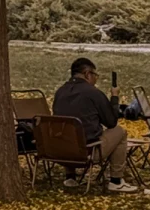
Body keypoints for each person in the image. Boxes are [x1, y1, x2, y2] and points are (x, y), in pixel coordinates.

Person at [53, 57, 138, 193]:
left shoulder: (60, 92)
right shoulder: (93, 93)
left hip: (60, 152)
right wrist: (114, 97)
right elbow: (111, 122)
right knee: (119, 132)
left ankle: (70, 177)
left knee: (69, 129)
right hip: (86, 153)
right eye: (95, 75)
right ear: (88, 74)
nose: (95, 79)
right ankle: (116, 180)